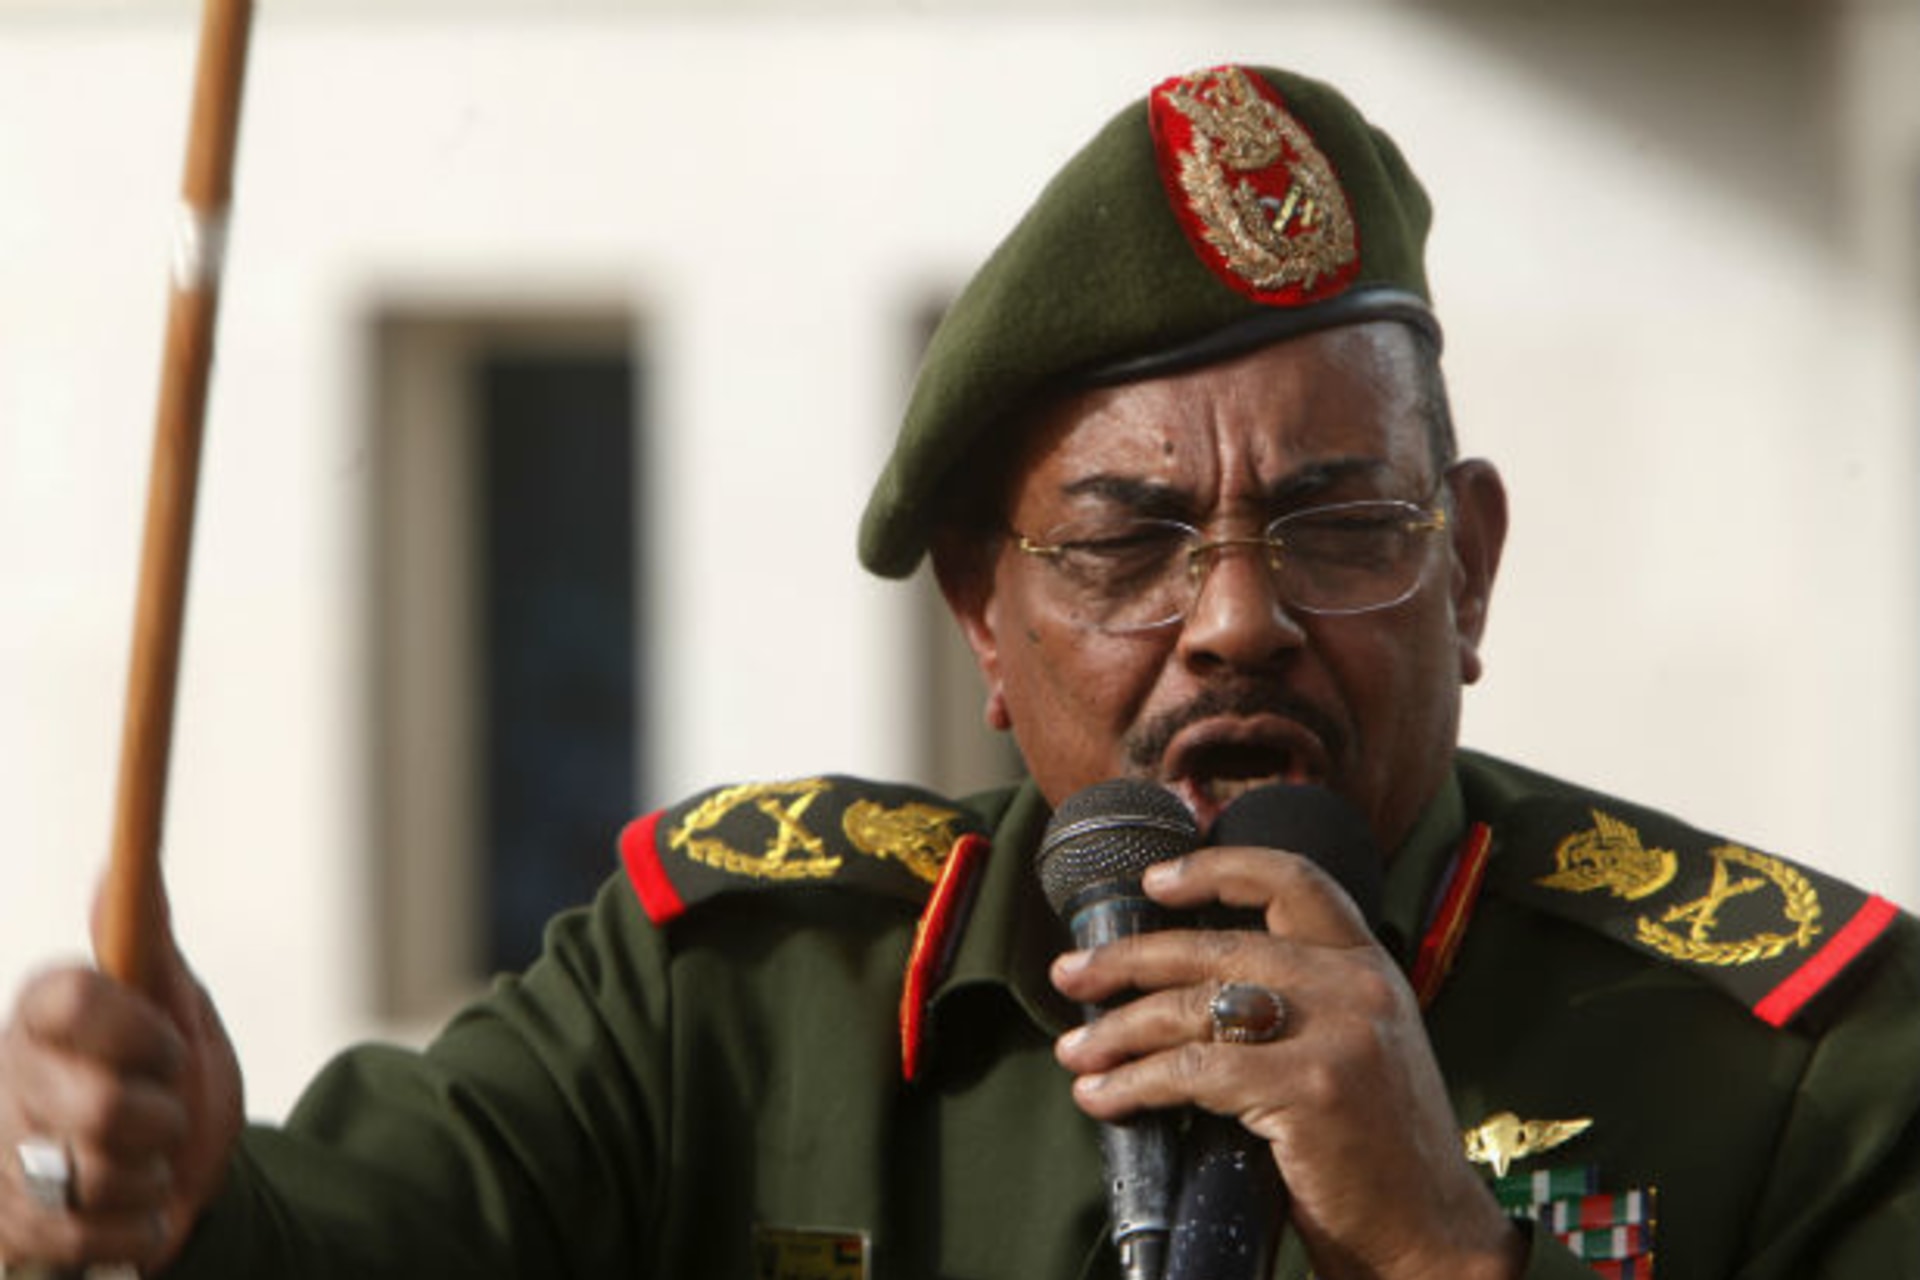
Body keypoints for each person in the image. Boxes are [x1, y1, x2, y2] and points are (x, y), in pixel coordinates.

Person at [2, 62, 1915, 1280]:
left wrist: (1437, 1255)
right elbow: (313, 1246)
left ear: (1471, 571)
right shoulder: (735, 1004)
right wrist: (139, 1201)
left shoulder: (1809, 1065)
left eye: (1341, 527)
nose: (1236, 621)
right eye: (1128, 545)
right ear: (982, 625)